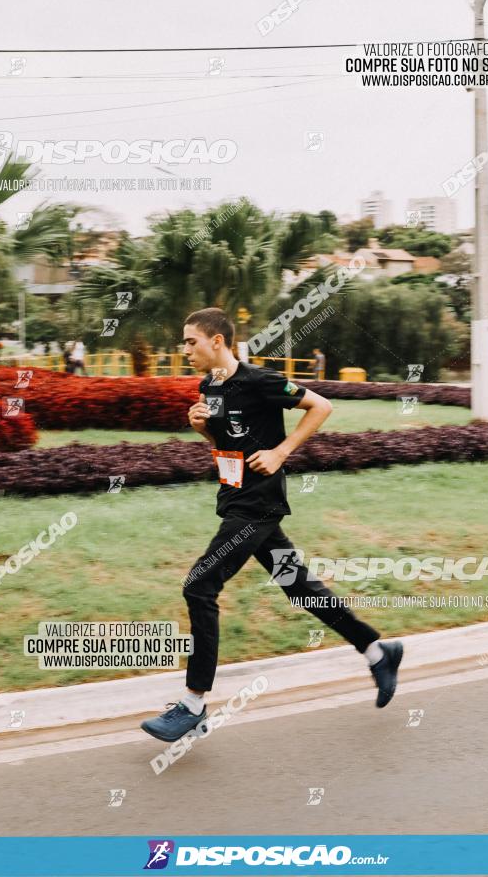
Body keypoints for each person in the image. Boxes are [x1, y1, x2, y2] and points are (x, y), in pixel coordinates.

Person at [141, 308, 403, 743]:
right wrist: (204, 431)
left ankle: (192, 704)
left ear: (217, 342)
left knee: (199, 586)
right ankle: (378, 651)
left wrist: (282, 452)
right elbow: (229, 445)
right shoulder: (210, 386)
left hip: (256, 508)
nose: (184, 349)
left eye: (191, 341)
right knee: (299, 587)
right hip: (236, 502)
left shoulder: (258, 381)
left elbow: (321, 405)